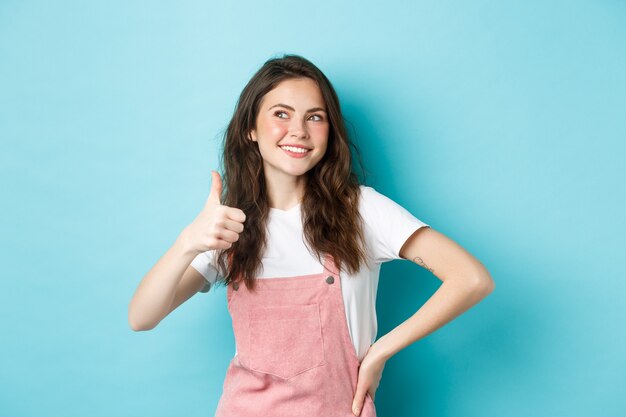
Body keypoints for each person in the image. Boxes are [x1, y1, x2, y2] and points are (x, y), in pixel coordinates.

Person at [128, 54, 495, 417]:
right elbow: (142, 317)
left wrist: (381, 351)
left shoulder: (361, 211)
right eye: (281, 114)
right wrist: (188, 242)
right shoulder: (228, 226)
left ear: (329, 131)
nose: (299, 130)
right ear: (250, 129)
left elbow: (471, 279)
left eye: (314, 117)